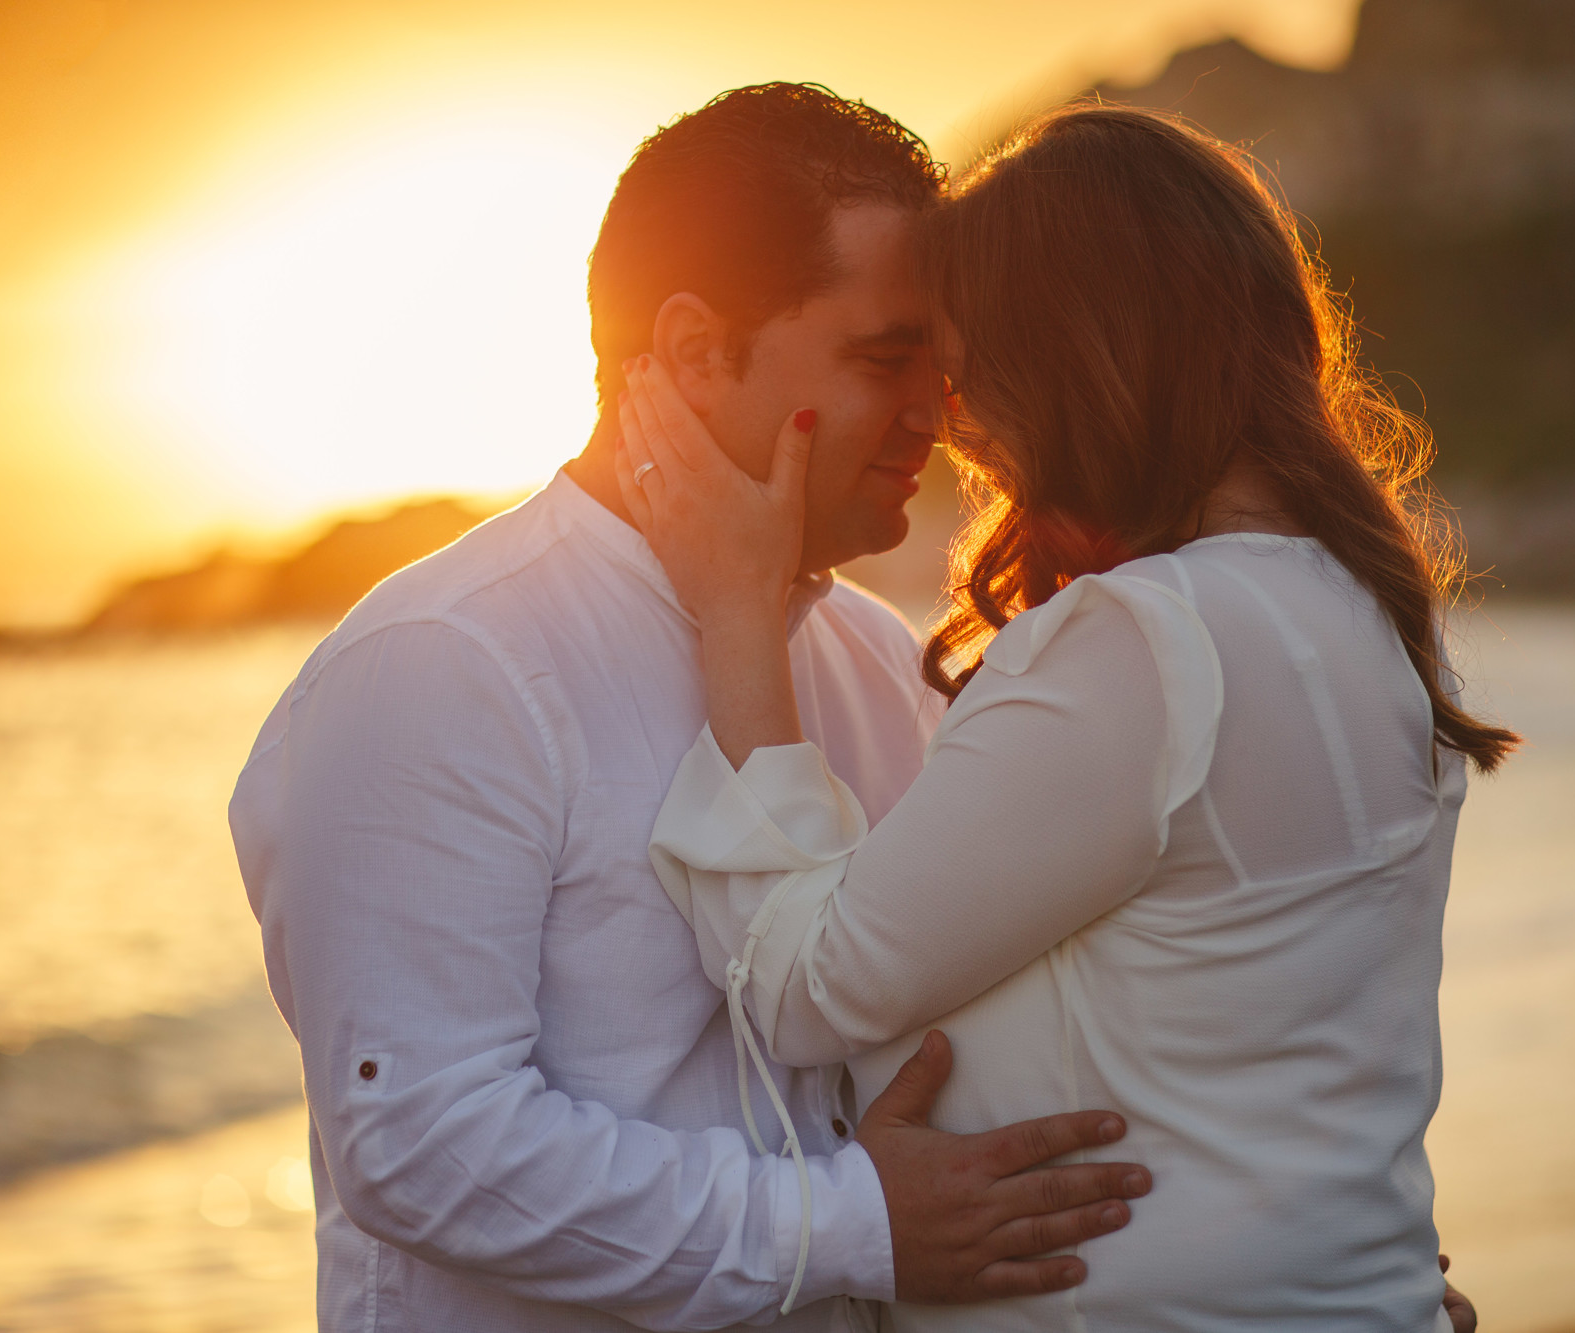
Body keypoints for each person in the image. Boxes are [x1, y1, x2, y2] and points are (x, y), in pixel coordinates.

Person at [228, 83, 1151, 1333]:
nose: (935, 414)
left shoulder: (881, 668)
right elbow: (425, 1143)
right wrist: (850, 1228)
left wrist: (1307, 1263)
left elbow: (973, 1065)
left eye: (940, 365)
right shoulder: (440, 663)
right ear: (697, 349)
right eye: (886, 360)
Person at [620, 104, 1510, 1331]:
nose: (958, 427)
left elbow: (802, 988)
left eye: (966, 367)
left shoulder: (1146, 639)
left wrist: (734, 610)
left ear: (1077, 351)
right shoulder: (1357, 612)